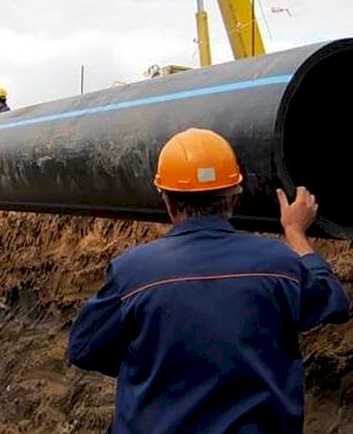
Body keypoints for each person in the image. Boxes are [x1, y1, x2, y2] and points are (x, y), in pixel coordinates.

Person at [66, 127, 350, 433]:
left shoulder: (132, 272)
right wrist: (295, 232)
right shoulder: (278, 264)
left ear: (168, 202)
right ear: (235, 197)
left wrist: (155, 364)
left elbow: (83, 349)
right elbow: (332, 302)